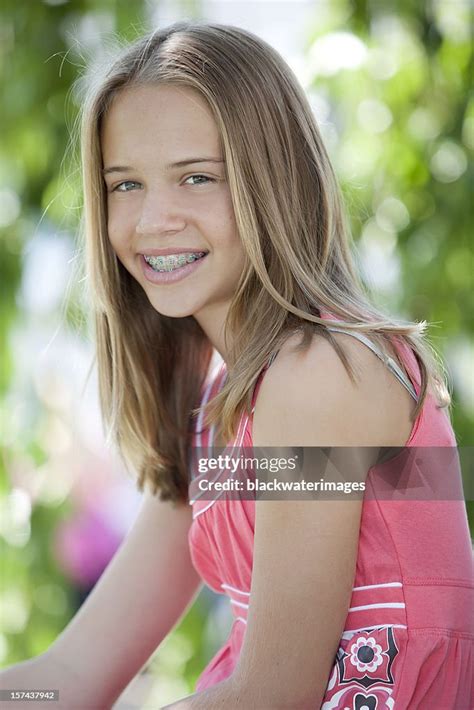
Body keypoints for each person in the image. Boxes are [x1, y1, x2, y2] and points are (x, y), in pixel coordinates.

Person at [1, 20, 472, 710]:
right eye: (124, 185)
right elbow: (72, 676)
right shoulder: (218, 418)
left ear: (274, 181)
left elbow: (273, 695)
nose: (154, 218)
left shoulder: (321, 373)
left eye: (197, 178)